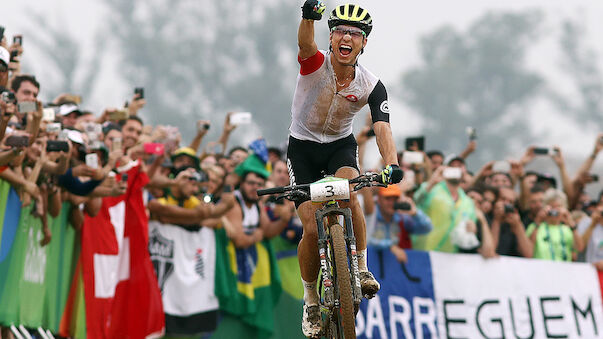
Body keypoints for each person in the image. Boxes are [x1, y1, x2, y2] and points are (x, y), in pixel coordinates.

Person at [289, 1, 403, 336]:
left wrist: (392, 164)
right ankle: (310, 299)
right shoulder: (316, 64)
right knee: (311, 227)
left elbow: (382, 127)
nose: (346, 37)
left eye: (355, 33)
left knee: (351, 192)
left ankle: (360, 267)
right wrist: (308, 17)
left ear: (364, 42)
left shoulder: (371, 84)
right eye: (340, 30)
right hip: (303, 150)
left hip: (340, 147)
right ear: (331, 35)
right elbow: (305, 44)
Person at [365, 184, 432, 263]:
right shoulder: (370, 214)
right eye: (387, 198)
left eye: (395, 199)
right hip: (369, 264)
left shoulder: (401, 217)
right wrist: (390, 247)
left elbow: (426, 228)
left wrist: (415, 213)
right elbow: (366, 240)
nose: (391, 203)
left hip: (392, 268)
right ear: (379, 199)